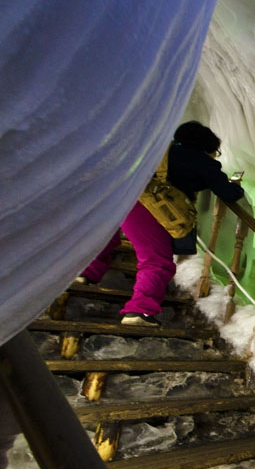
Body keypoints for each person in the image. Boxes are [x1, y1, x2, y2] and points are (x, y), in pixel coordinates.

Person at [78, 122, 245, 326]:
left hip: (121, 196)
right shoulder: (200, 159)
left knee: (105, 238)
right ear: (207, 146)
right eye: (215, 152)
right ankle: (139, 311)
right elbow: (227, 193)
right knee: (157, 261)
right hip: (148, 208)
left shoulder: (161, 150)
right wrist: (236, 186)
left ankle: (84, 273)